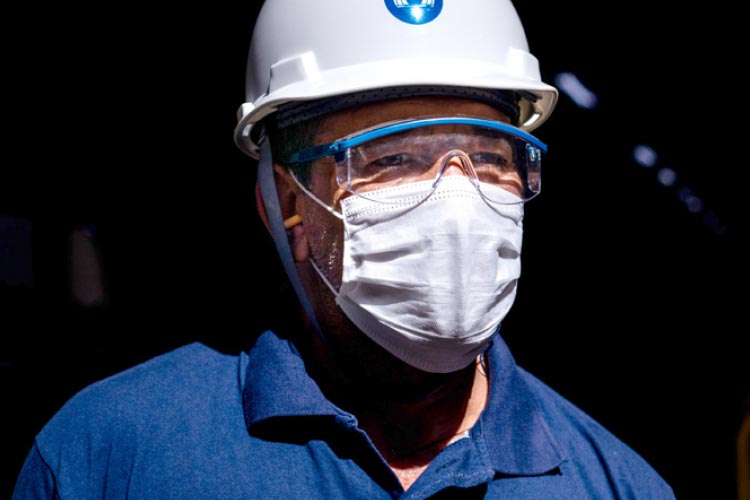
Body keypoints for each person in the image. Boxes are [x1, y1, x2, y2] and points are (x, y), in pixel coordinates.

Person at [13, 0, 676, 498]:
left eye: (488, 156)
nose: (457, 200)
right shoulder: (111, 457)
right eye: (391, 158)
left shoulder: (615, 483)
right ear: (285, 201)